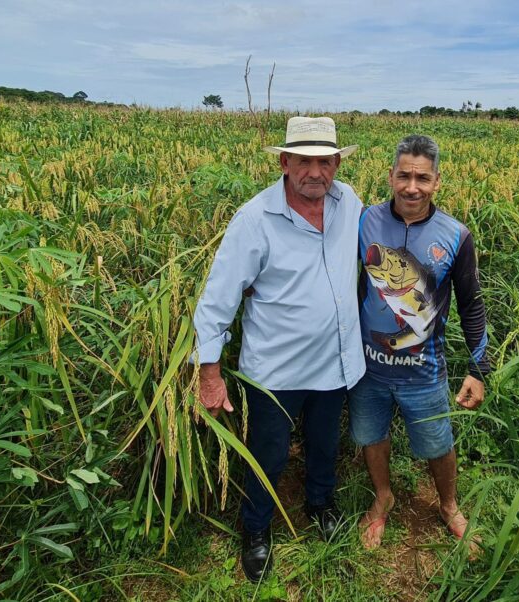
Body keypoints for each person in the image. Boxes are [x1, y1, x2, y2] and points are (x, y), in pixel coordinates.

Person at [192, 116, 365, 582]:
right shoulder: (255, 219)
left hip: (335, 361)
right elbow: (219, 297)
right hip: (276, 371)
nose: (316, 172)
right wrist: (209, 373)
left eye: (325, 161)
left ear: (336, 164)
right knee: (267, 451)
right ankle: (256, 529)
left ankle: (320, 503)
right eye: (305, 161)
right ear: (284, 162)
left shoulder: (349, 202)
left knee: (325, 443)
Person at [350, 134, 490, 550]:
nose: (413, 187)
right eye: (405, 176)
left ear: (437, 182)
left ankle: (448, 505)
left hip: (424, 370)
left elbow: (472, 304)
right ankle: (383, 497)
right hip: (367, 366)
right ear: (391, 176)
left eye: (423, 178)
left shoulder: (455, 235)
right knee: (371, 436)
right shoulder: (364, 221)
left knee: (437, 443)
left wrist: (479, 369)